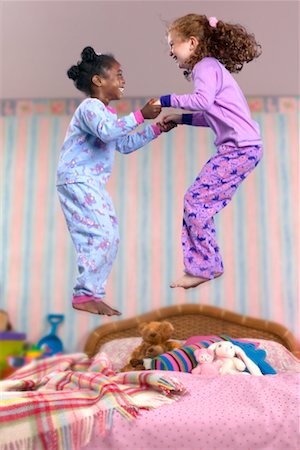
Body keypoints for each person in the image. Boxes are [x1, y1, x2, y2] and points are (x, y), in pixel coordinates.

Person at [56, 46, 176, 316]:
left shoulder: (107, 114)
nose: (123, 80)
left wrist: (156, 128)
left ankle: (91, 293)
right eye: (118, 75)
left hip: (89, 183)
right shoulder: (90, 108)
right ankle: (85, 293)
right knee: (100, 234)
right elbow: (109, 132)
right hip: (77, 178)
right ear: (98, 81)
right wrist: (141, 115)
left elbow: (123, 143)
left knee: (109, 236)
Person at [156, 14, 263, 289]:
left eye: (172, 44)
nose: (169, 51)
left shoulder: (205, 67)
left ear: (192, 43)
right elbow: (212, 115)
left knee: (195, 201)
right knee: (199, 203)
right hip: (244, 147)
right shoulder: (212, 69)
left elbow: (202, 102)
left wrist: (164, 99)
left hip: (239, 149)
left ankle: (204, 266)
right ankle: (207, 265)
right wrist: (180, 118)